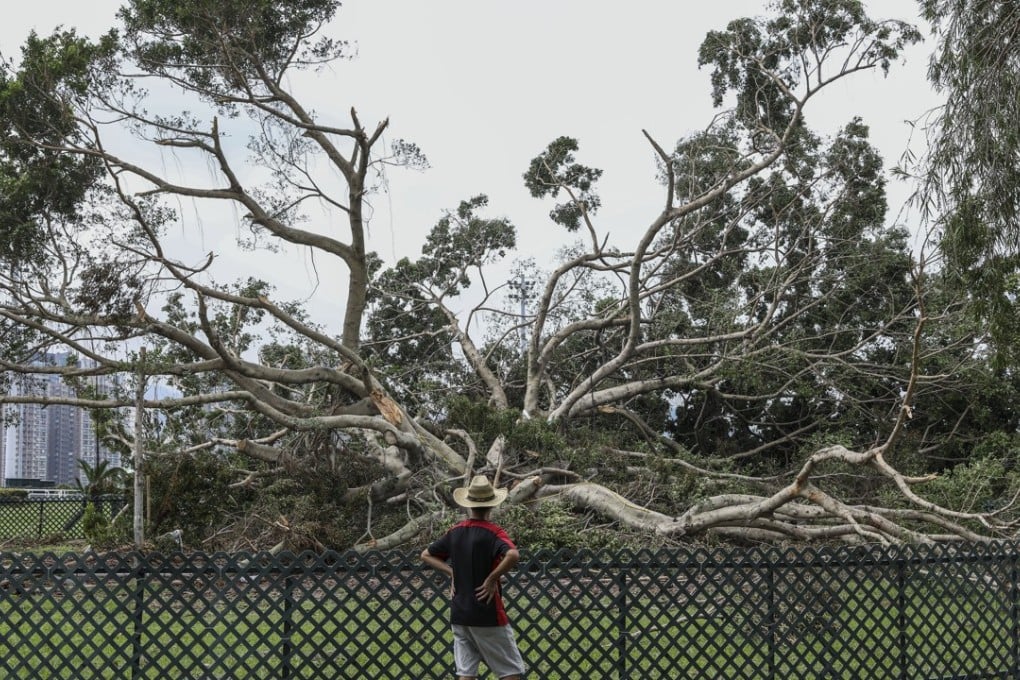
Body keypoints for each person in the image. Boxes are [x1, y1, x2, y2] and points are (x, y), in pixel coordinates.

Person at [421, 475, 527, 680]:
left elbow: (426, 555)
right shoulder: (494, 532)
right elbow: (513, 554)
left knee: (466, 673)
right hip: (487, 613)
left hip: (460, 613)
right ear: (491, 506)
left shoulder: (455, 532)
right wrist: (491, 579)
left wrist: (453, 573)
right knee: (511, 671)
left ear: (468, 505)